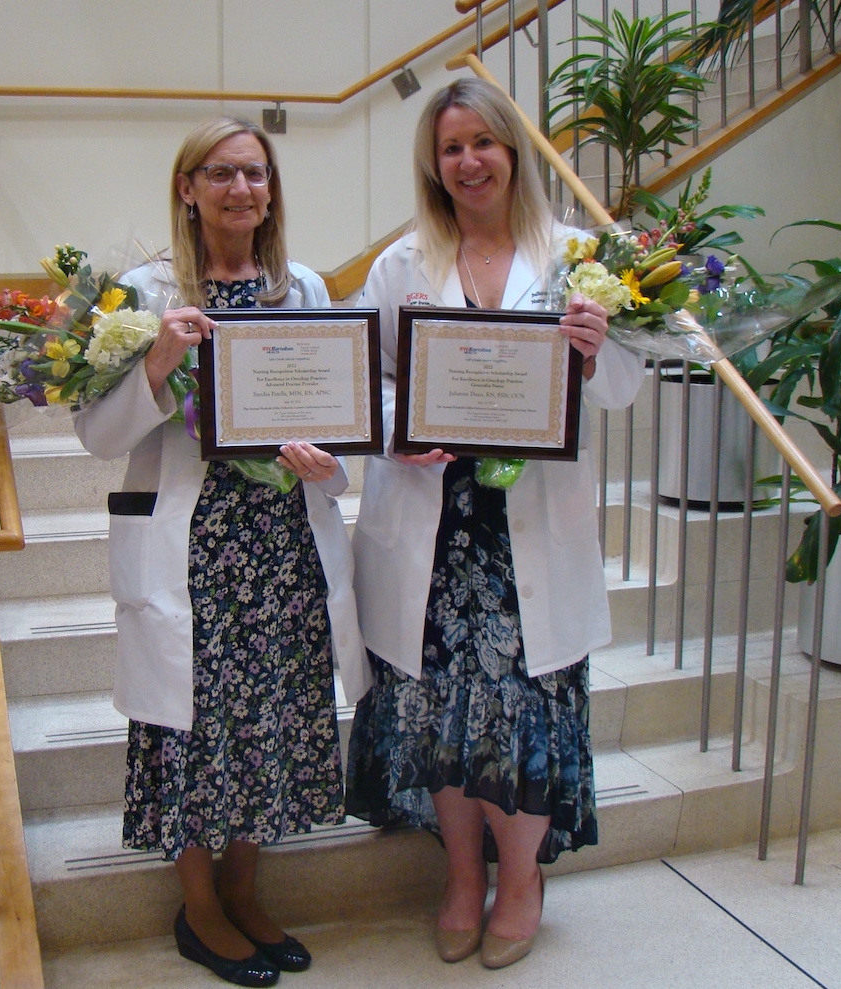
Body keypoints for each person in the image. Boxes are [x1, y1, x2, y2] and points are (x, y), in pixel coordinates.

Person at [344, 78, 644, 970]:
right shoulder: (402, 263)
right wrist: (403, 430)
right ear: (433, 167)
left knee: (525, 703)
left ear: (513, 150)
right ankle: (459, 875)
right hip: (434, 520)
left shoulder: (578, 260)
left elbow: (626, 388)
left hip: (528, 527)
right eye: (450, 149)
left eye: (483, 143)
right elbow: (374, 379)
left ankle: (521, 883)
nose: (468, 162)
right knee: (437, 704)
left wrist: (599, 348)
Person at [74, 116, 367, 988]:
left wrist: (327, 460)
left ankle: (244, 890)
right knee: (193, 728)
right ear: (188, 188)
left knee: (269, 715)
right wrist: (158, 361)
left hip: (280, 544)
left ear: (271, 190)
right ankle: (200, 908)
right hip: (193, 543)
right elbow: (96, 432)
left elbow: (337, 407)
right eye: (223, 173)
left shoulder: (303, 286)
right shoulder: (140, 291)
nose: (242, 189)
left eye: (256, 173)